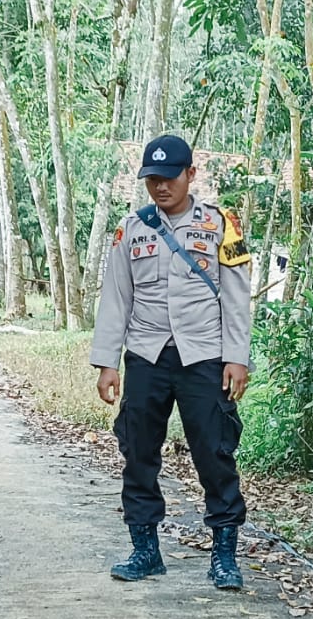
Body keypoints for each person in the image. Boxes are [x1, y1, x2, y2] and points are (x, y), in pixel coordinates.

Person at [90, 135, 252, 590]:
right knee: (138, 451)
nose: (160, 187)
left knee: (215, 452)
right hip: (146, 354)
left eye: (169, 177)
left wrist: (237, 358)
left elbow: (238, 298)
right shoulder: (131, 229)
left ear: (191, 175)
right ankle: (145, 550)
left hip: (204, 356)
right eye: (152, 180)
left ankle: (224, 554)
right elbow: (116, 298)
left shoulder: (221, 225)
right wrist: (107, 363)